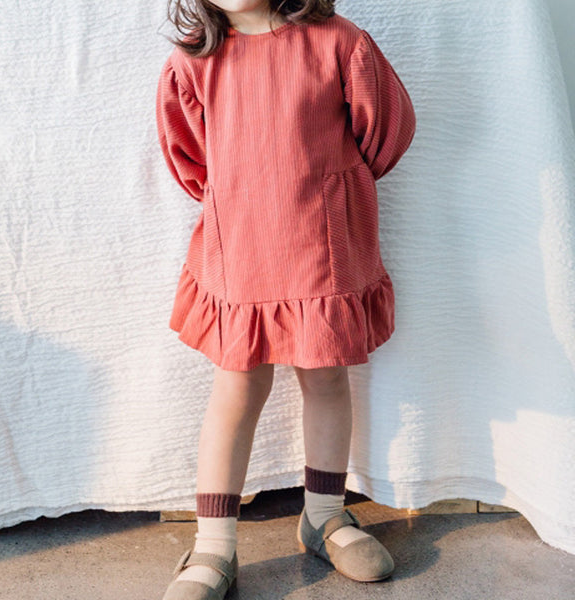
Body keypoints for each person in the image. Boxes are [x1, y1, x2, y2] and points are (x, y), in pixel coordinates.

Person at [155, 0, 416, 598]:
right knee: (237, 385)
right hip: (242, 247)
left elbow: (386, 130)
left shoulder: (339, 42)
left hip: (322, 243)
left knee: (326, 375)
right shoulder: (194, 61)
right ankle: (214, 543)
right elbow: (188, 156)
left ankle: (324, 515)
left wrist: (332, 189)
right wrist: (245, 193)